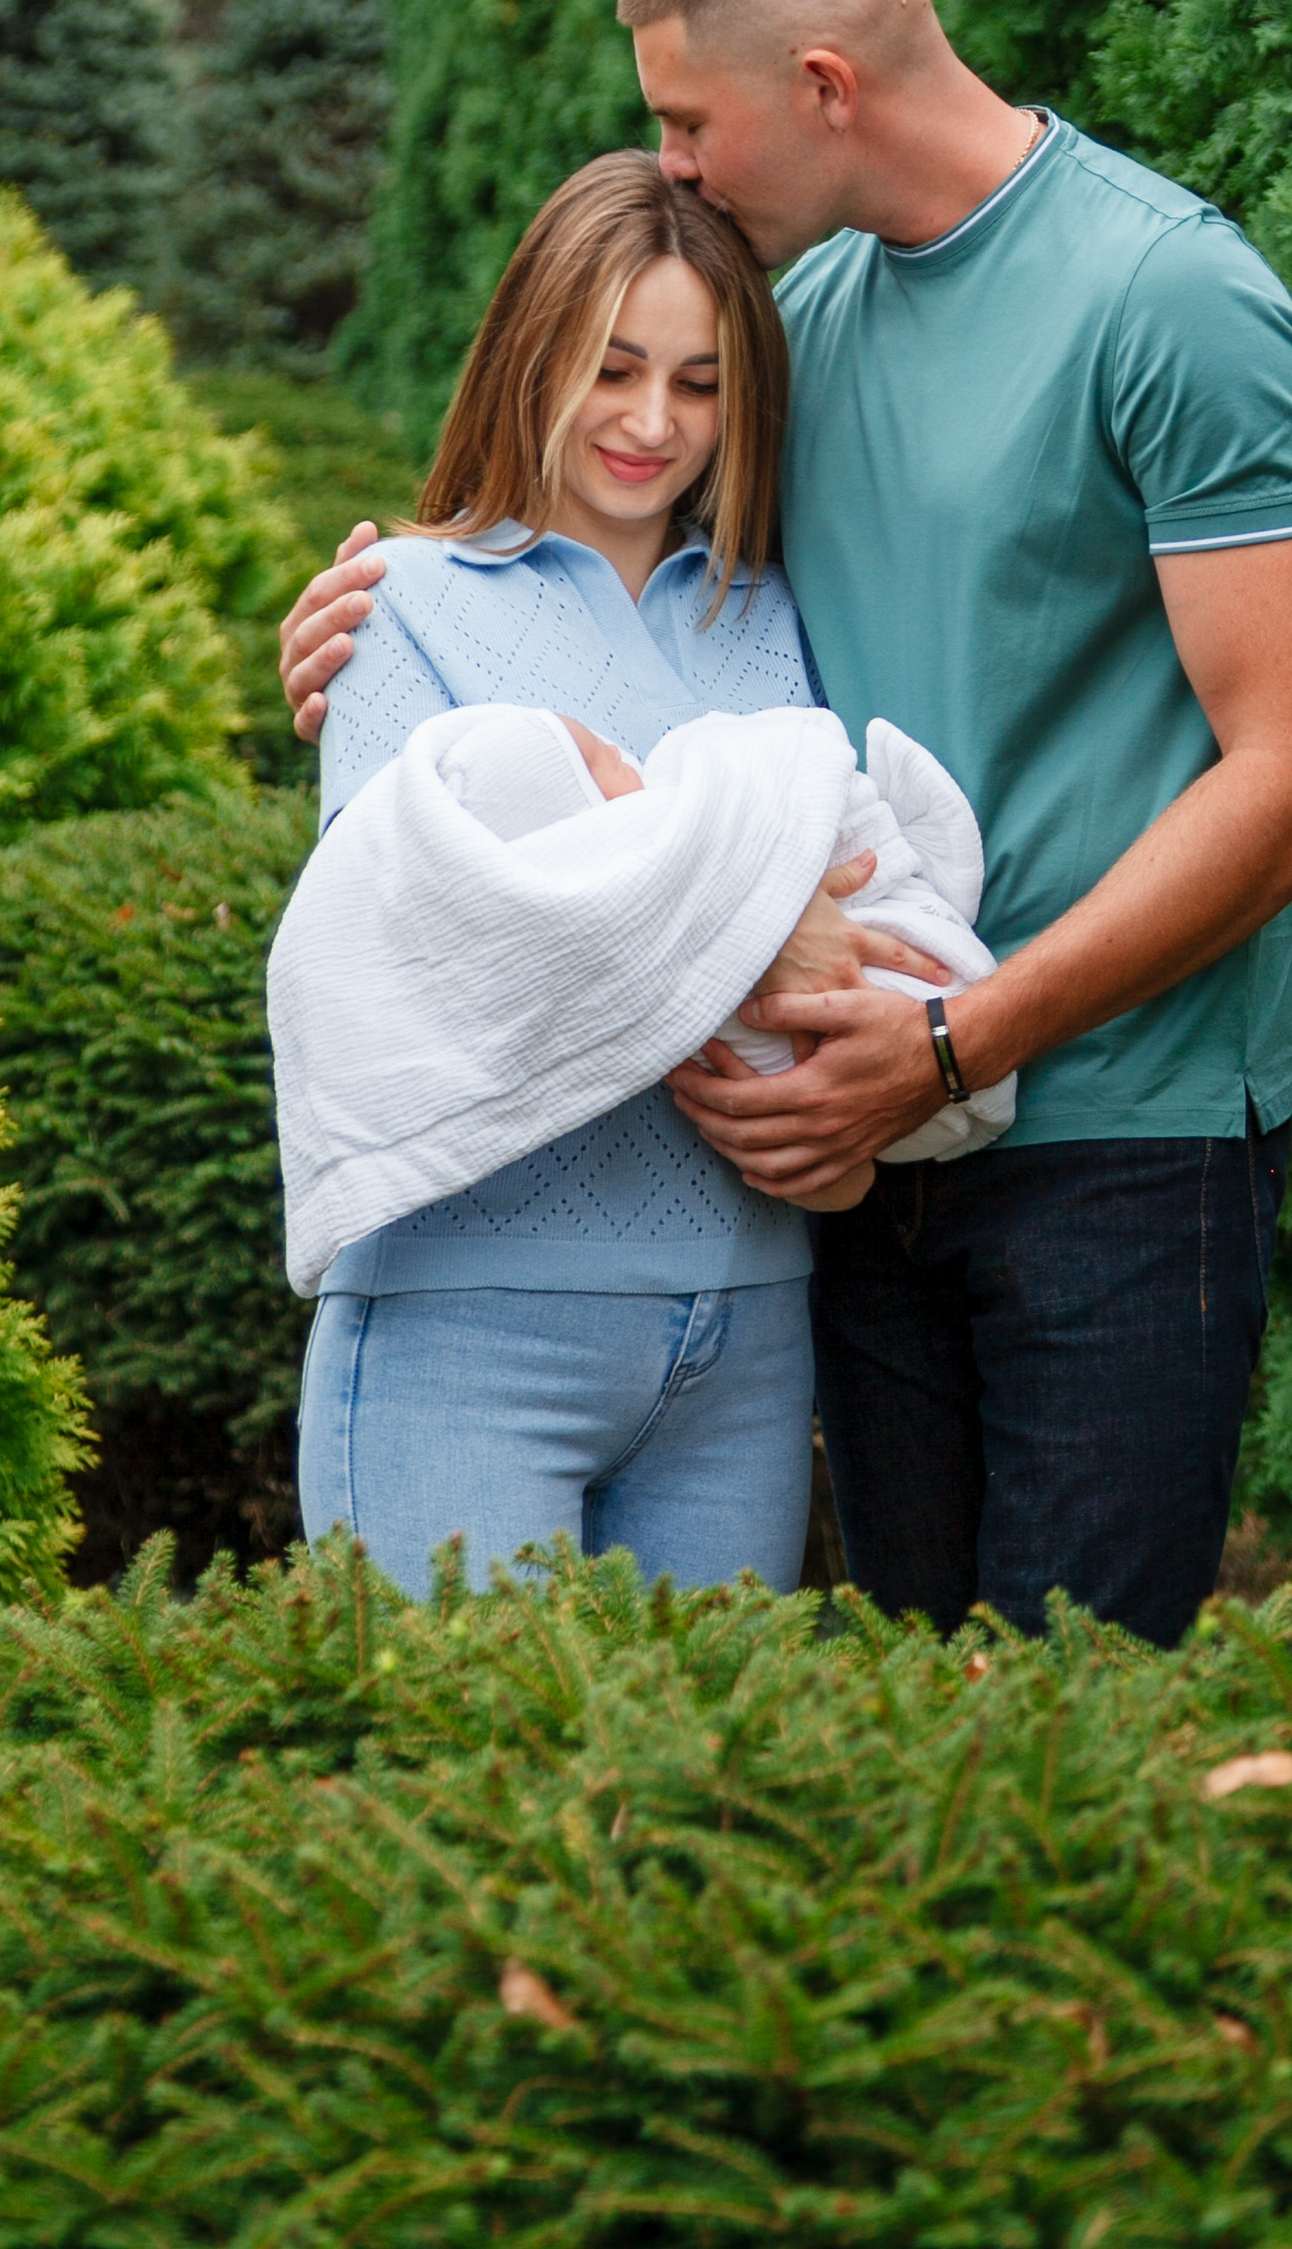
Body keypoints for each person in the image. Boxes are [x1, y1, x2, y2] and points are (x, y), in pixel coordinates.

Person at [282, 0, 1292, 1646]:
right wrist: (384, 605)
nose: (673, 165)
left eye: (687, 119)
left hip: (1116, 1130)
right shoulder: (802, 325)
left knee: (1066, 1736)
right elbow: (590, 547)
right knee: (893, 1747)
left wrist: (957, 1037)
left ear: (822, 87)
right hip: (851, 1159)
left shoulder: (1168, 300)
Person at [286, 146, 908, 1601]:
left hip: (747, 1340)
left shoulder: (779, 613)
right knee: (471, 1805)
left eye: (698, 384)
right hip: (467, 1327)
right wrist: (755, 924)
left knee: (699, 1816)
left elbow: (872, 894)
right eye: (612, 367)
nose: (650, 423)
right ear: (529, 352)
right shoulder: (406, 612)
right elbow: (425, 953)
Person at [265, 692, 1007, 1287]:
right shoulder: (642, 896)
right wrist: (755, 897)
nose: (622, 750)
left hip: (908, 1090)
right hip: (883, 1075)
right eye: (593, 758)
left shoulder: (771, 587)